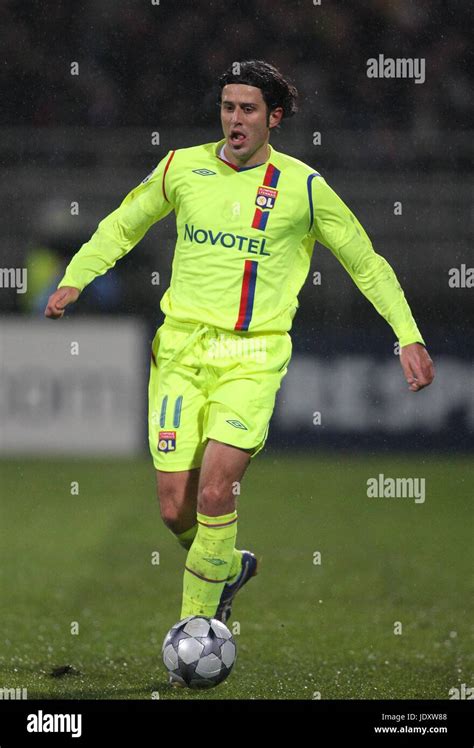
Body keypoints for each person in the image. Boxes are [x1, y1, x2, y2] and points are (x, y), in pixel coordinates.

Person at [45, 59, 434, 656]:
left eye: (248, 109)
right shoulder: (182, 166)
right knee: (176, 510)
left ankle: (192, 640)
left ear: (274, 118)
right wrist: (76, 278)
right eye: (228, 106)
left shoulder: (305, 188)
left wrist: (406, 334)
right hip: (179, 351)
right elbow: (124, 224)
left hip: (253, 356)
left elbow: (366, 261)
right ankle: (226, 567)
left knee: (215, 493)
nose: (234, 119)